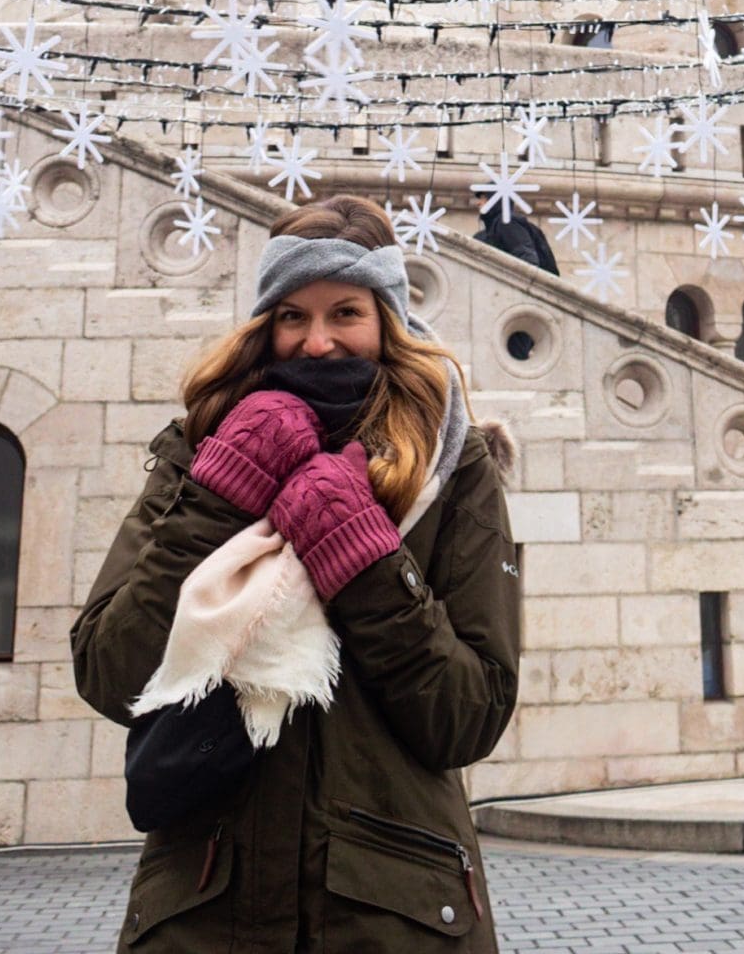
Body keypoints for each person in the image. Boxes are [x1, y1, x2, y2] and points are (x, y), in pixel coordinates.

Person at [72, 194, 519, 953]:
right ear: (265, 325)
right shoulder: (199, 447)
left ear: (387, 321)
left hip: (391, 916)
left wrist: (365, 559)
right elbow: (111, 671)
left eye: (345, 312)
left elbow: (467, 715)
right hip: (206, 910)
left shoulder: (454, 471)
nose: (317, 343)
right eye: (292, 316)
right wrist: (220, 495)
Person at [470, 182, 559, 275]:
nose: (478, 203)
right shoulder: (483, 235)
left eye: (484, 198)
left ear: (495, 199)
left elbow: (527, 259)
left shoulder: (506, 223)